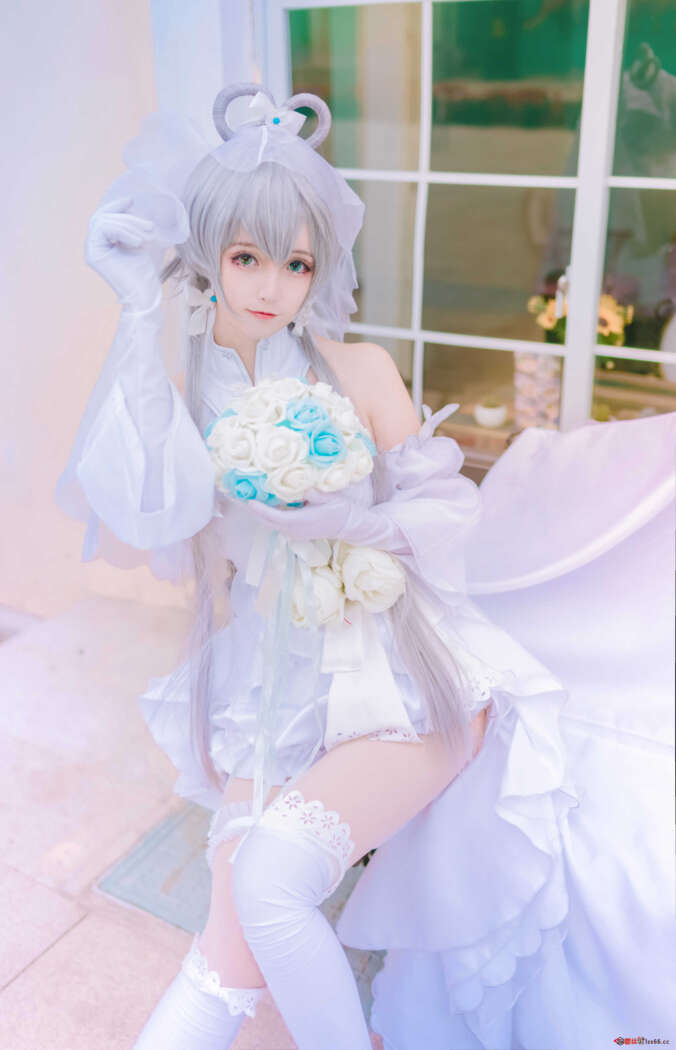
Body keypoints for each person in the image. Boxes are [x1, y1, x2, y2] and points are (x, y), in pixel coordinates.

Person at [56, 82, 675, 1050]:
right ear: (208, 257)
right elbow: (150, 514)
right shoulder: (186, 393)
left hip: (404, 676)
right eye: (246, 257)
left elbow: (448, 527)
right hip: (274, 695)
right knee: (226, 961)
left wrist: (359, 521)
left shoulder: (361, 372)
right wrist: (137, 314)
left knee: (270, 881)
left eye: (296, 261)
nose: (272, 285)